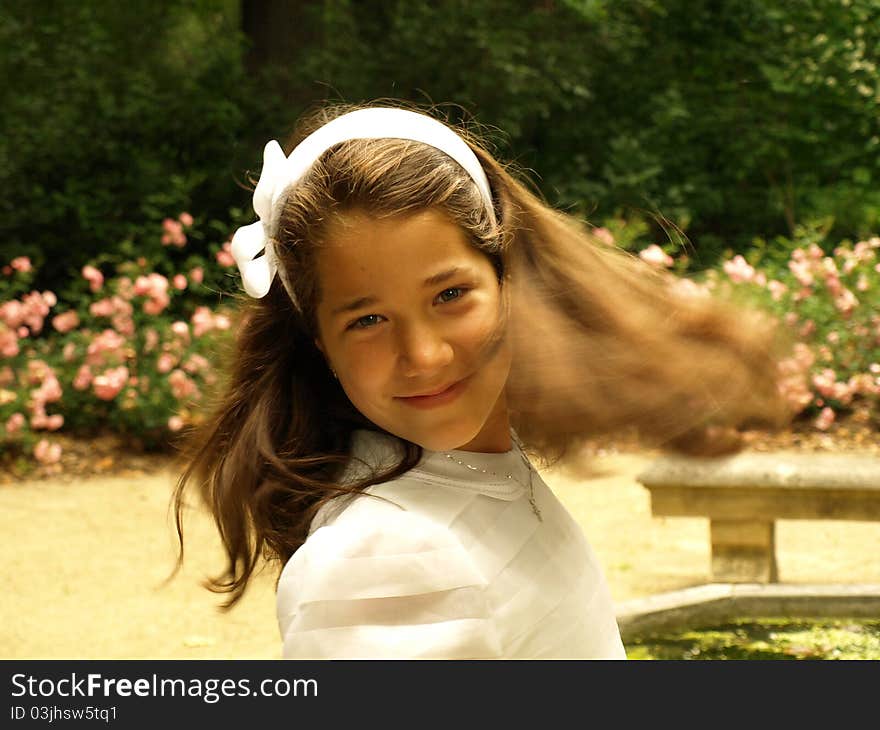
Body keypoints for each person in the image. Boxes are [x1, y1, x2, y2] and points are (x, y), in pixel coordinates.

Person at [170, 102, 793, 659]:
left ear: (510, 279)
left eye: (449, 294)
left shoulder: (471, 469)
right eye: (367, 319)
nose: (424, 355)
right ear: (319, 343)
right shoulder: (387, 557)